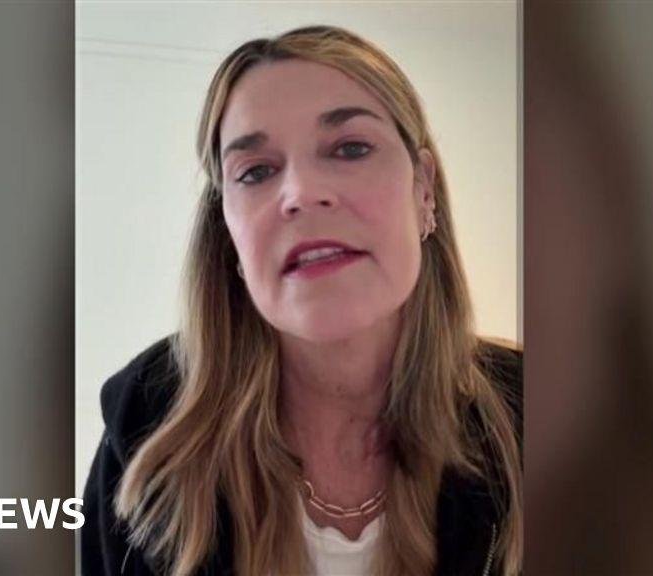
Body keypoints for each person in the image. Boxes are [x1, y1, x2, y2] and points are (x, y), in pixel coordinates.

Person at [82, 25, 522, 576]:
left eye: (351, 148)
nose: (301, 194)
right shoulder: (147, 430)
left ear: (424, 189)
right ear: (230, 235)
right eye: (256, 171)